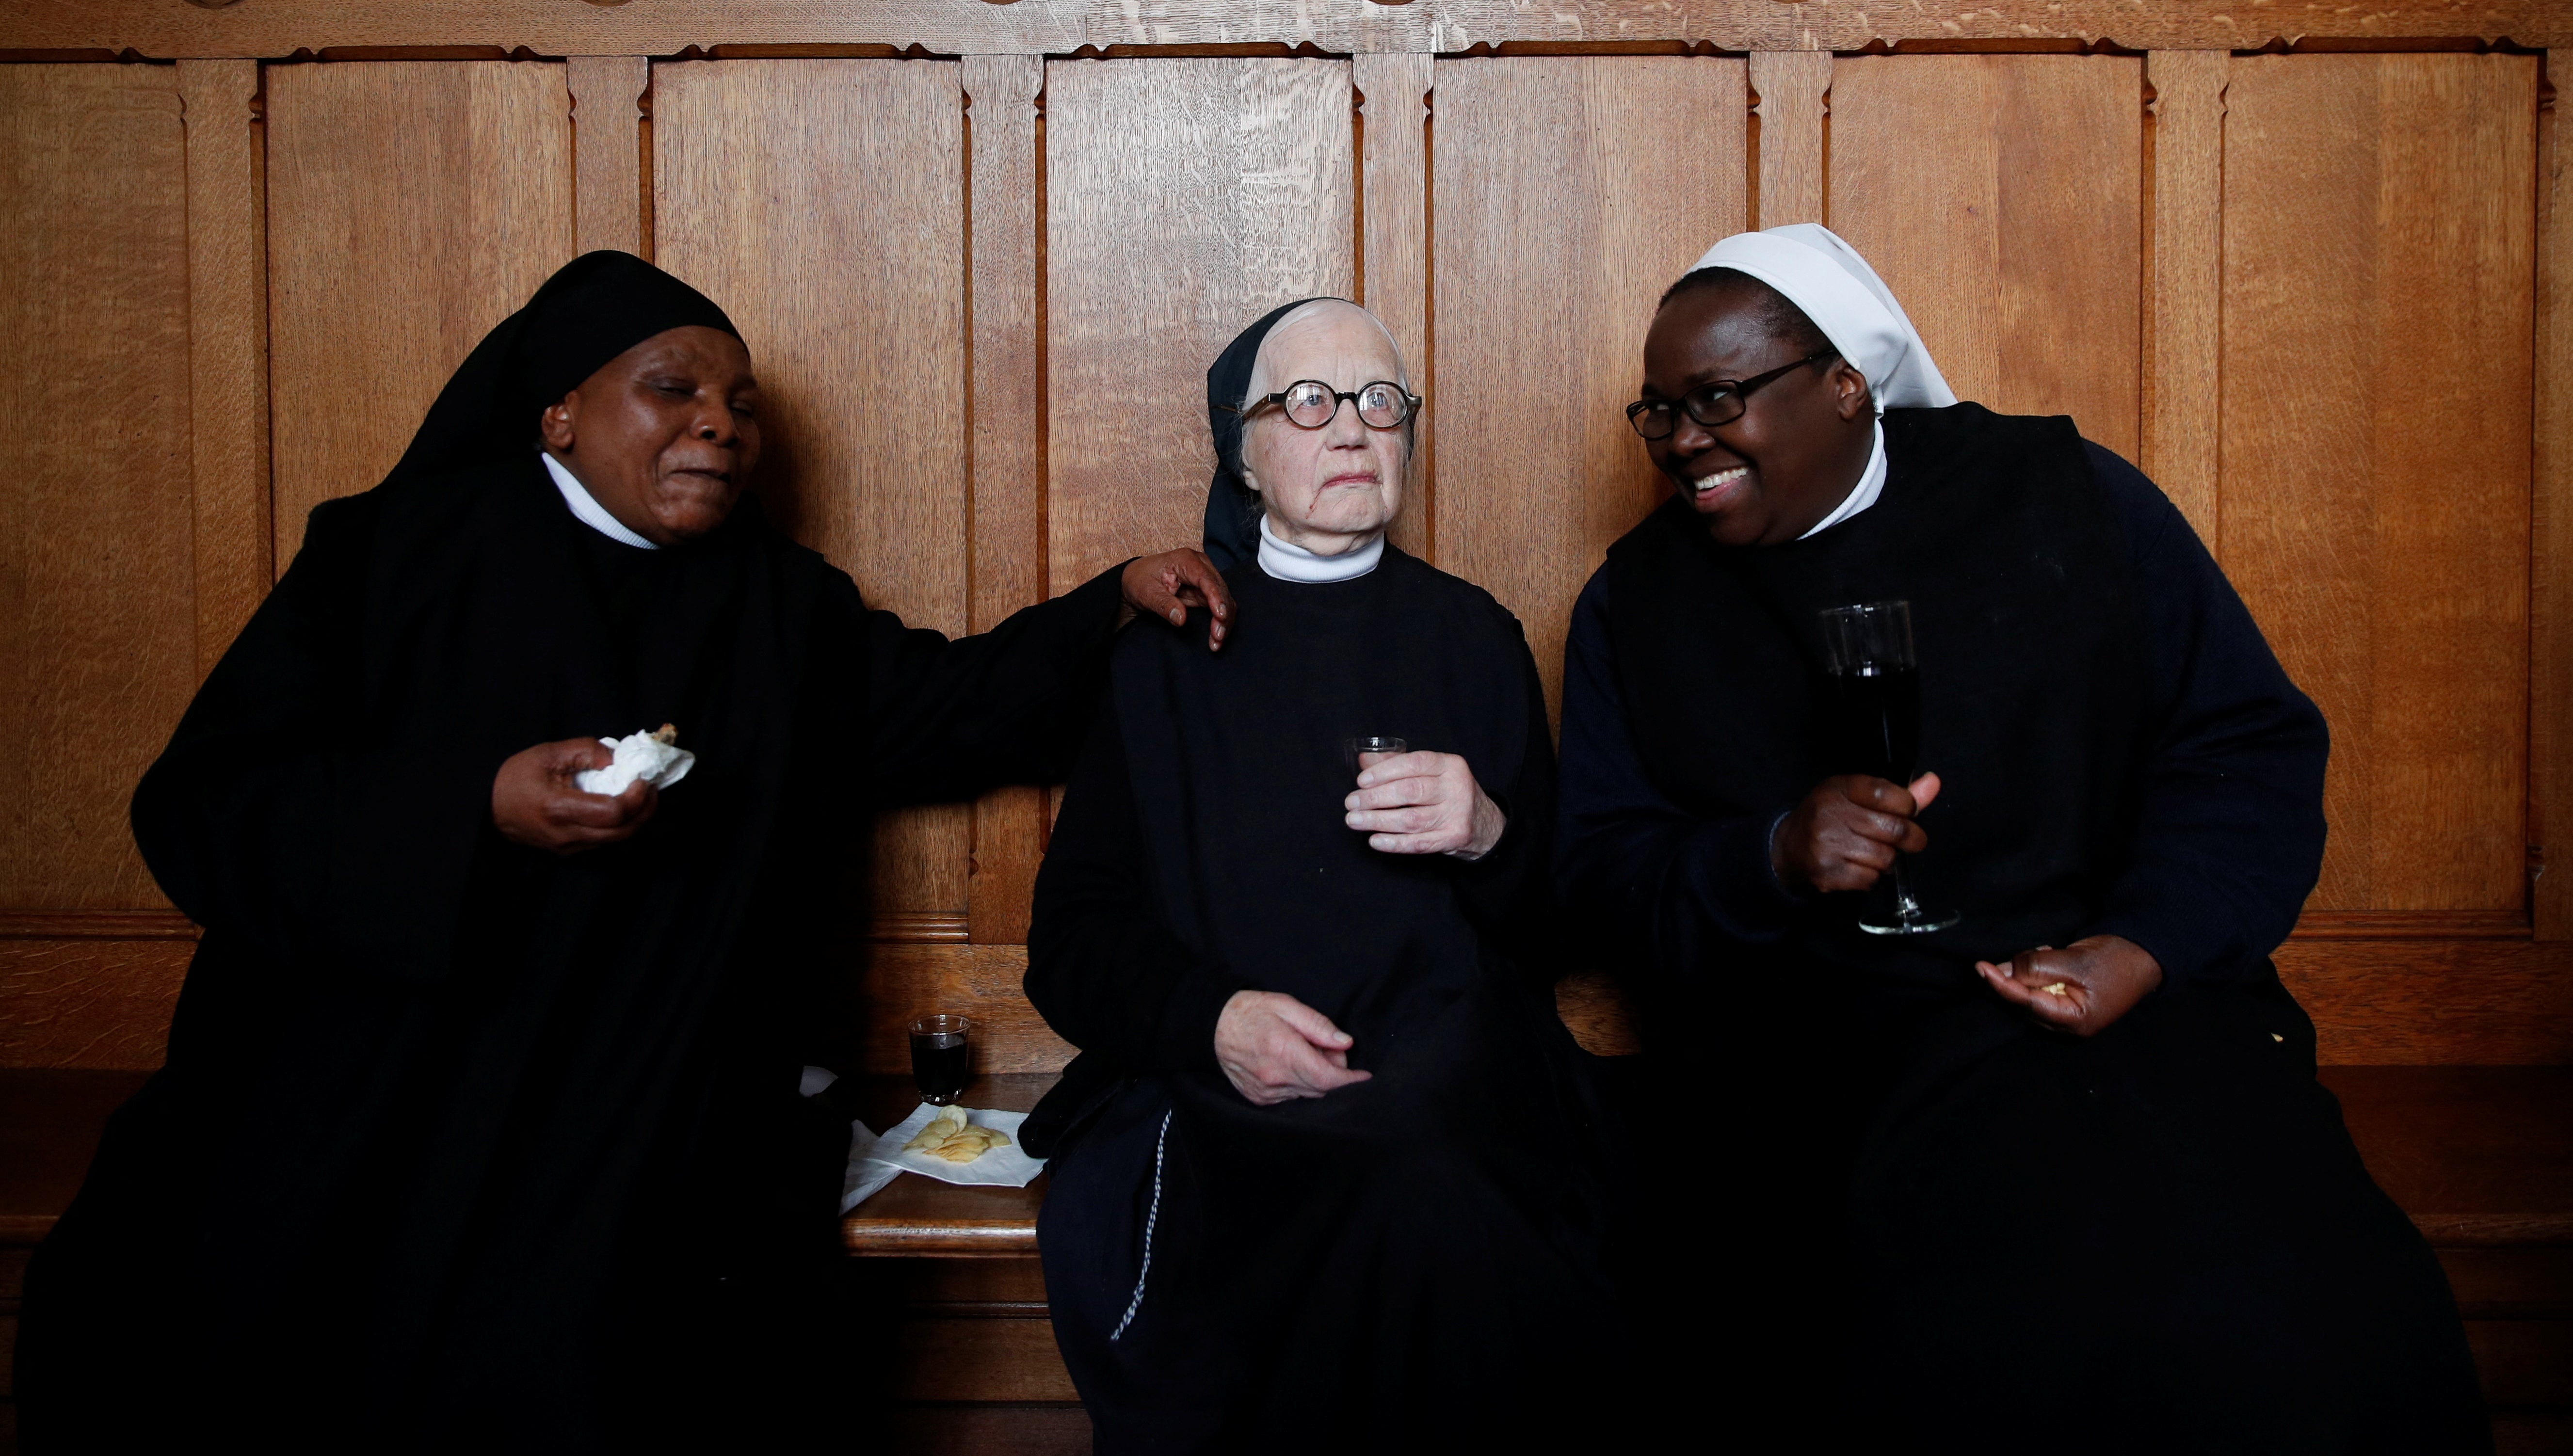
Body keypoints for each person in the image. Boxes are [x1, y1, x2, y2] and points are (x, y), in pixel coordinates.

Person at [14, 251, 1234, 1455]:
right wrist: (475, 805)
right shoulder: (395, 557)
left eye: (741, 406)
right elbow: (204, 804)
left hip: (636, 1130)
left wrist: (1113, 602)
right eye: (673, 389)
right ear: (558, 412)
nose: (718, 424)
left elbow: (941, 709)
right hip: (393, 1107)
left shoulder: (780, 605)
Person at [1556, 225, 2489, 1455]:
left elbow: (2245, 747)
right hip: (1830, 1052)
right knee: (1998, 1302)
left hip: (2130, 1004)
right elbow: (1601, 871)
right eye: (1659, 411)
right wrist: (1770, 852)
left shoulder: (2068, 496)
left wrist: (2142, 945)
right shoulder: (1636, 601)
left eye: (1718, 399)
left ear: (1846, 382)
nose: (1684, 441)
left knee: (2294, 1308)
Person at [1022, 298, 1624, 1452]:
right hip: (1227, 1100)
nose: (1351, 429)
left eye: (1380, 403)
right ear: (1240, 454)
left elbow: (1551, 926)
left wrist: (1489, 830)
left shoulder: (1474, 637)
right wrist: (1214, 1020)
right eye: (1307, 402)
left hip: (1451, 1086)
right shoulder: (1161, 658)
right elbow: (1074, 941)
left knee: (1434, 1180)